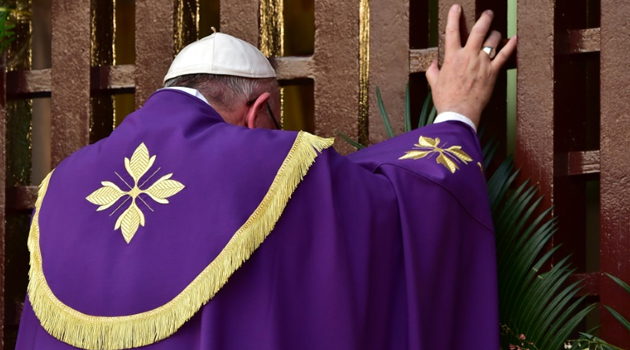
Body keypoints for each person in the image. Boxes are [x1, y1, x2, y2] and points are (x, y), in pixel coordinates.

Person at [16, 5, 516, 350]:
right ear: (258, 113)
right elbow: (399, 206)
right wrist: (457, 115)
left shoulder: (61, 186)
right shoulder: (275, 165)